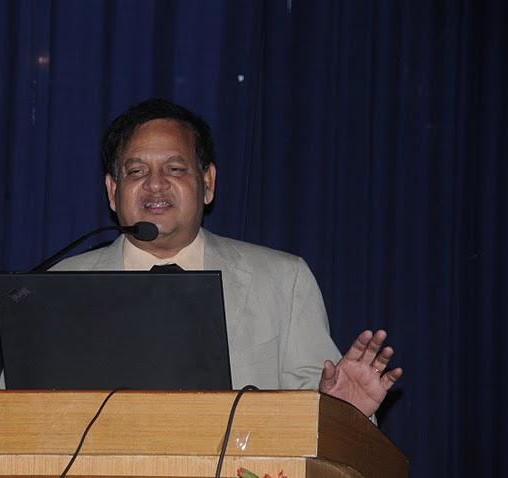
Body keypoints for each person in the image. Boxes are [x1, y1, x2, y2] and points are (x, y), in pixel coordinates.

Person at [52, 98, 402, 418]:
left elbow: (321, 412)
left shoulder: (283, 280)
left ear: (208, 183)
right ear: (113, 190)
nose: (155, 184)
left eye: (175, 169)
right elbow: (30, 418)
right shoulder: (60, 288)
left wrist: (346, 414)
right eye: (137, 171)